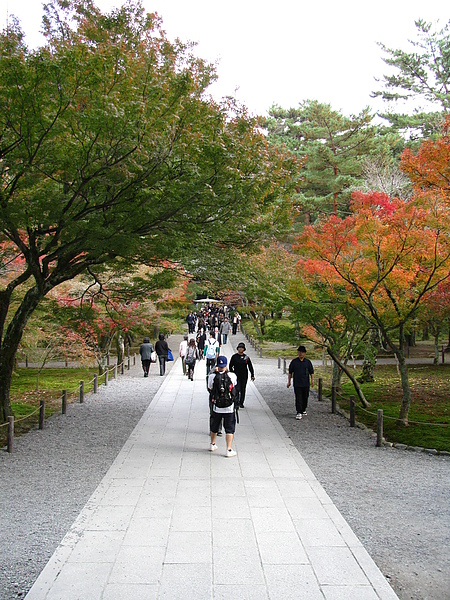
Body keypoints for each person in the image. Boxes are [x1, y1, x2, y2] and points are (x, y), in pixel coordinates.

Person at [208, 355, 238, 457]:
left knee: (215, 426)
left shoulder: (212, 376)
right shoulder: (232, 376)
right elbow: (234, 386)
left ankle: (212, 444)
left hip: (217, 406)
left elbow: (209, 388)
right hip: (229, 407)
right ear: (226, 365)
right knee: (229, 428)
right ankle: (228, 449)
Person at [287, 345, 315, 419]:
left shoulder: (307, 362)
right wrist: (289, 382)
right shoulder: (294, 362)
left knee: (305, 397)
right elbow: (290, 372)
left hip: (306, 383)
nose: (301, 354)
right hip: (297, 383)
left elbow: (311, 372)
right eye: (299, 352)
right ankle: (298, 411)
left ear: (305, 353)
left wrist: (312, 380)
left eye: (302, 352)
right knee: (298, 397)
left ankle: (303, 409)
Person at [229, 342, 255, 408]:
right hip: (236, 375)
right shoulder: (234, 357)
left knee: (243, 389)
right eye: (239, 348)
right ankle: (236, 401)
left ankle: (241, 402)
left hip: (244, 375)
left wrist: (252, 375)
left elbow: (250, 366)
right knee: (237, 388)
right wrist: (232, 373)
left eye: (242, 348)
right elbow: (230, 365)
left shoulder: (246, 358)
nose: (240, 349)